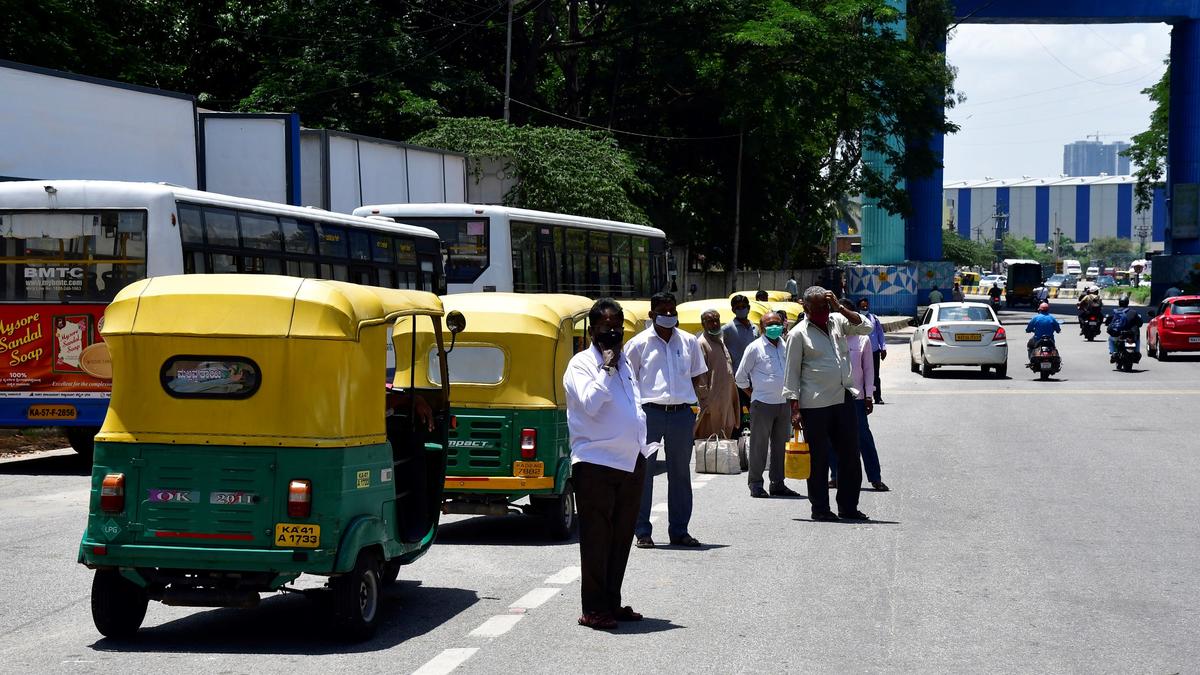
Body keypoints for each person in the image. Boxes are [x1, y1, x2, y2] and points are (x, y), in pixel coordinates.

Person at [564, 298, 650, 630]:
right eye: (606, 328)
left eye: (617, 328)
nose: (613, 333)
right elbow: (590, 405)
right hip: (596, 463)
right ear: (592, 331)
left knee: (620, 537)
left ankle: (611, 603)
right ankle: (593, 608)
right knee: (597, 538)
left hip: (630, 462)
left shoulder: (626, 363)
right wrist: (607, 367)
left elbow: (634, 406)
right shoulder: (581, 365)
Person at [783, 285, 874, 522]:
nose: (823, 311)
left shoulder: (837, 320)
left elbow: (866, 326)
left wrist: (839, 307)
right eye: (818, 307)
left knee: (850, 456)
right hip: (815, 405)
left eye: (825, 306)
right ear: (805, 307)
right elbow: (791, 374)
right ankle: (820, 508)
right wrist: (794, 409)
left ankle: (848, 507)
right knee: (819, 459)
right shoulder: (798, 334)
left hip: (843, 398)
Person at [625, 291, 708, 548]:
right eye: (664, 312)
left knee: (680, 473)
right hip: (649, 413)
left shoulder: (688, 341)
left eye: (673, 312)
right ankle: (642, 532)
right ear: (652, 315)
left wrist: (703, 402)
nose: (670, 316)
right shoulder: (638, 344)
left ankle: (680, 531)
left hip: (682, 413)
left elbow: (698, 375)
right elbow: (628, 381)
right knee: (643, 474)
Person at [734, 310, 797, 498]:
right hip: (762, 403)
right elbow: (740, 378)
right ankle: (755, 483)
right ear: (762, 328)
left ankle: (778, 483)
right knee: (759, 446)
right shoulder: (754, 348)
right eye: (769, 324)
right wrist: (753, 394)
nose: (774, 327)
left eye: (777, 323)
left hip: (783, 403)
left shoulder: (786, 346)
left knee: (780, 446)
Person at [830, 299, 888, 492]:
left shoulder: (862, 339)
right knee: (832, 438)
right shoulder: (830, 337)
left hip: (856, 398)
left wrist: (869, 395)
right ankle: (835, 476)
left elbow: (868, 370)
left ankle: (875, 477)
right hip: (832, 396)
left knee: (863, 437)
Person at [693, 309, 739, 440]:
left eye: (716, 320)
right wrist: (705, 400)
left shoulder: (720, 340)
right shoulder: (701, 343)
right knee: (710, 440)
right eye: (710, 321)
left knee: (725, 438)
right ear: (703, 324)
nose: (714, 324)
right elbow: (700, 376)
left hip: (727, 399)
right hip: (712, 402)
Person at [721, 294, 758, 429]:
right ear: (733, 310)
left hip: (755, 379)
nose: (741, 309)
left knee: (756, 414)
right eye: (738, 307)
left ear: (748, 308)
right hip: (736, 380)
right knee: (738, 417)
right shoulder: (727, 329)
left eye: (744, 307)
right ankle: (737, 445)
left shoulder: (755, 328)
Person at [856, 297, 887, 405]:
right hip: (859, 351)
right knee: (861, 374)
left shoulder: (874, 318)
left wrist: (883, 348)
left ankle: (877, 397)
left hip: (874, 351)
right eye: (862, 306)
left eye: (866, 306)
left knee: (875, 375)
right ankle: (864, 396)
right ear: (858, 307)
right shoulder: (855, 318)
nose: (865, 308)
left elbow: (880, 333)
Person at [1105, 293, 1144, 361]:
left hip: (1118, 334)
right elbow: (1140, 323)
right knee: (1137, 339)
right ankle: (1137, 352)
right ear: (1127, 303)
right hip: (1130, 334)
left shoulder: (1115, 312)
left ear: (1119, 303)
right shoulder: (1133, 312)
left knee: (1111, 339)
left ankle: (1113, 352)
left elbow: (1109, 322)